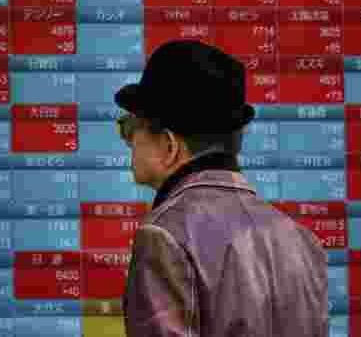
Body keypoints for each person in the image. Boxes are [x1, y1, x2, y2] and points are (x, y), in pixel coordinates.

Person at [115, 40, 328, 337]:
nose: (127, 142)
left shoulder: (165, 235)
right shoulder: (302, 241)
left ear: (168, 144)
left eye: (129, 128)